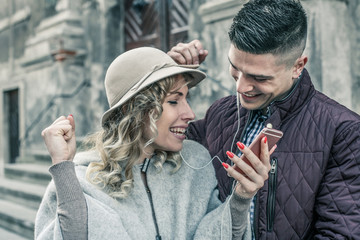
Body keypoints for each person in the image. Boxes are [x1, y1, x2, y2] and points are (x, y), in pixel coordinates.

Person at [34, 47, 275, 239]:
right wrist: (62, 166)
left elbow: (215, 234)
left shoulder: (195, 163)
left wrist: (242, 196)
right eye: (174, 101)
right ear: (137, 110)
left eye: (186, 98)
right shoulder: (81, 177)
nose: (190, 113)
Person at [168, 0, 360, 239]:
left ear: (297, 66)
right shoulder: (220, 112)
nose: (241, 87)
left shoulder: (344, 131)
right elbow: (153, 148)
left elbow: (341, 233)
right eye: (235, 67)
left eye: (259, 77)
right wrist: (167, 78)